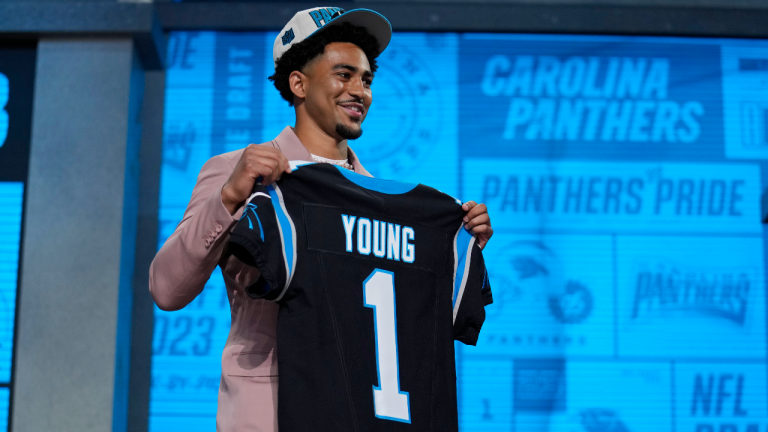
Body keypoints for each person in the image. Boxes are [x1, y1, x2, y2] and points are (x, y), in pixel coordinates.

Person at [149, 7, 494, 432]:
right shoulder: (237, 170)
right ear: (298, 83)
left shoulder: (389, 203)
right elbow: (165, 289)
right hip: (268, 411)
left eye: (366, 79)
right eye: (343, 75)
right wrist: (230, 197)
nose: (359, 91)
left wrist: (460, 244)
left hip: (364, 411)